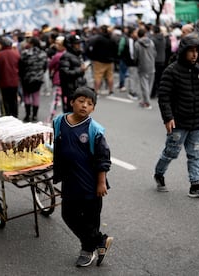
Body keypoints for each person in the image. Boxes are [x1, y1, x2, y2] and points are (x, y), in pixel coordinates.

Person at [153, 34, 199, 198]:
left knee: (196, 155)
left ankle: (195, 185)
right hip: (179, 122)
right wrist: (168, 117)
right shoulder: (172, 70)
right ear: (183, 51)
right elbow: (164, 96)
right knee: (171, 152)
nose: (194, 54)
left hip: (198, 122)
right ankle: (159, 173)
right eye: (191, 51)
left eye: (197, 51)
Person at [52, 86, 113, 267]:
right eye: (81, 101)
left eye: (89, 103)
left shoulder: (94, 129)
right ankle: (100, 240)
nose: (84, 105)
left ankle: (87, 251)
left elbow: (103, 158)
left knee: (91, 219)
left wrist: (101, 182)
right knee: (67, 215)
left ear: (93, 108)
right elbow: (58, 144)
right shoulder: (58, 121)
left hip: (91, 184)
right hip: (70, 182)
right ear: (71, 102)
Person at [19, 37, 48, 122]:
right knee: (36, 96)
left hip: (27, 78)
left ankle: (28, 115)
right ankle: (35, 116)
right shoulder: (43, 53)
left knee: (26, 96)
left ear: (31, 44)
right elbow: (45, 66)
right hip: (38, 78)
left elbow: (21, 66)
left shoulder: (25, 53)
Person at [59, 34, 88, 113]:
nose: (79, 45)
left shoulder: (78, 55)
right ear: (70, 45)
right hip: (70, 91)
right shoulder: (66, 56)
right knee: (70, 114)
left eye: (79, 43)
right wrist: (80, 70)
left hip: (79, 89)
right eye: (77, 44)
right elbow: (65, 73)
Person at [85, 25, 117, 95]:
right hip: (110, 61)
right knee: (110, 76)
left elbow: (89, 48)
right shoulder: (112, 38)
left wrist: (91, 56)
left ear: (101, 30)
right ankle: (111, 90)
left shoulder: (97, 38)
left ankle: (96, 91)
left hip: (99, 60)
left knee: (98, 76)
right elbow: (116, 49)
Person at [0, 37, 20, 118]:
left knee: (5, 101)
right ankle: (15, 116)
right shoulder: (16, 54)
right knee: (14, 100)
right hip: (14, 81)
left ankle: (7, 117)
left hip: (3, 82)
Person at [134, 27, 156, 109]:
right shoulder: (151, 42)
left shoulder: (137, 43)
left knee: (144, 85)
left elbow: (135, 57)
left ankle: (147, 102)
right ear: (145, 34)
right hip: (151, 65)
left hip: (142, 65)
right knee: (149, 85)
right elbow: (154, 53)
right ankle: (145, 100)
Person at [46, 36, 65, 124]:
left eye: (58, 44)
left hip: (58, 79)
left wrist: (51, 74)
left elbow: (50, 66)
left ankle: (50, 119)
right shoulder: (69, 54)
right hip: (67, 80)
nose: (56, 45)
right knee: (65, 100)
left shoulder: (57, 56)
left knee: (55, 101)